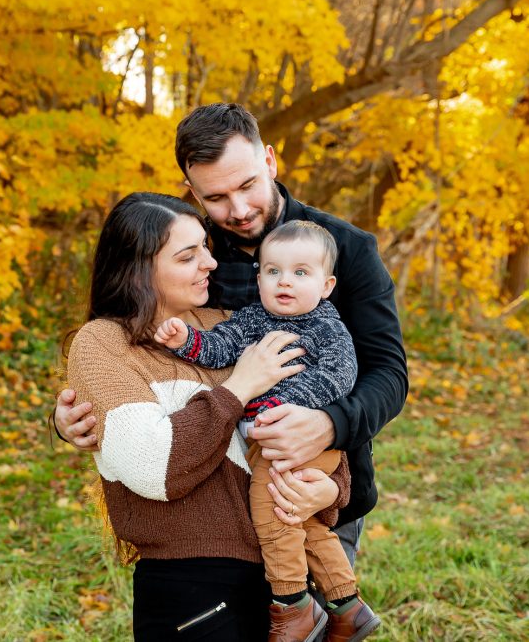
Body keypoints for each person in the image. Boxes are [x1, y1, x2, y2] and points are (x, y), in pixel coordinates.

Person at [56, 103, 408, 563]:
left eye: (247, 185)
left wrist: (329, 425)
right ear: (191, 190)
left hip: (315, 487)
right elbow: (130, 339)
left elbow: (388, 373)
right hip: (213, 507)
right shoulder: (189, 254)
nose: (239, 210)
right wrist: (81, 416)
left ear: (270, 160)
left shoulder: (346, 250)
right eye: (216, 197)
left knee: (312, 621)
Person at [64, 191, 348, 641]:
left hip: (283, 574)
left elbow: (304, 421)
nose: (210, 264)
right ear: (140, 269)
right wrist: (241, 386)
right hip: (194, 585)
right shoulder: (103, 344)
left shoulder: (230, 324)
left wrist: (330, 489)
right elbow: (154, 467)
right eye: (187, 255)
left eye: (205, 248)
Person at [154, 220, 381, 641]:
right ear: (258, 277)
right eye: (272, 271)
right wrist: (187, 340)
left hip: (305, 440)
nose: (284, 282)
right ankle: (347, 605)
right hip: (270, 439)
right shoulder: (253, 319)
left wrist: (284, 403)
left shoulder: (326, 326)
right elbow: (220, 346)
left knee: (272, 509)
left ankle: (293, 606)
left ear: (326, 285)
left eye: (300, 273)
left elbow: (340, 376)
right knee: (303, 524)